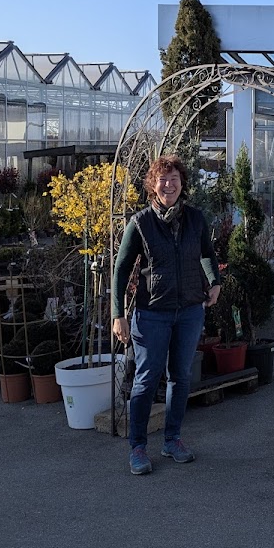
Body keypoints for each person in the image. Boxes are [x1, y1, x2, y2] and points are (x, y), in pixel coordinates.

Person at [112, 154, 221, 475]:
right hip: (152, 314)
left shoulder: (195, 219)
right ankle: (137, 447)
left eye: (174, 179)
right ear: (153, 185)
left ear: (182, 183)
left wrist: (215, 282)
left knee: (181, 378)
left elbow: (207, 253)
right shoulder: (141, 223)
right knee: (146, 380)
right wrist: (118, 314)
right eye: (163, 179)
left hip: (189, 311)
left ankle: (172, 440)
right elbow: (121, 270)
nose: (169, 185)